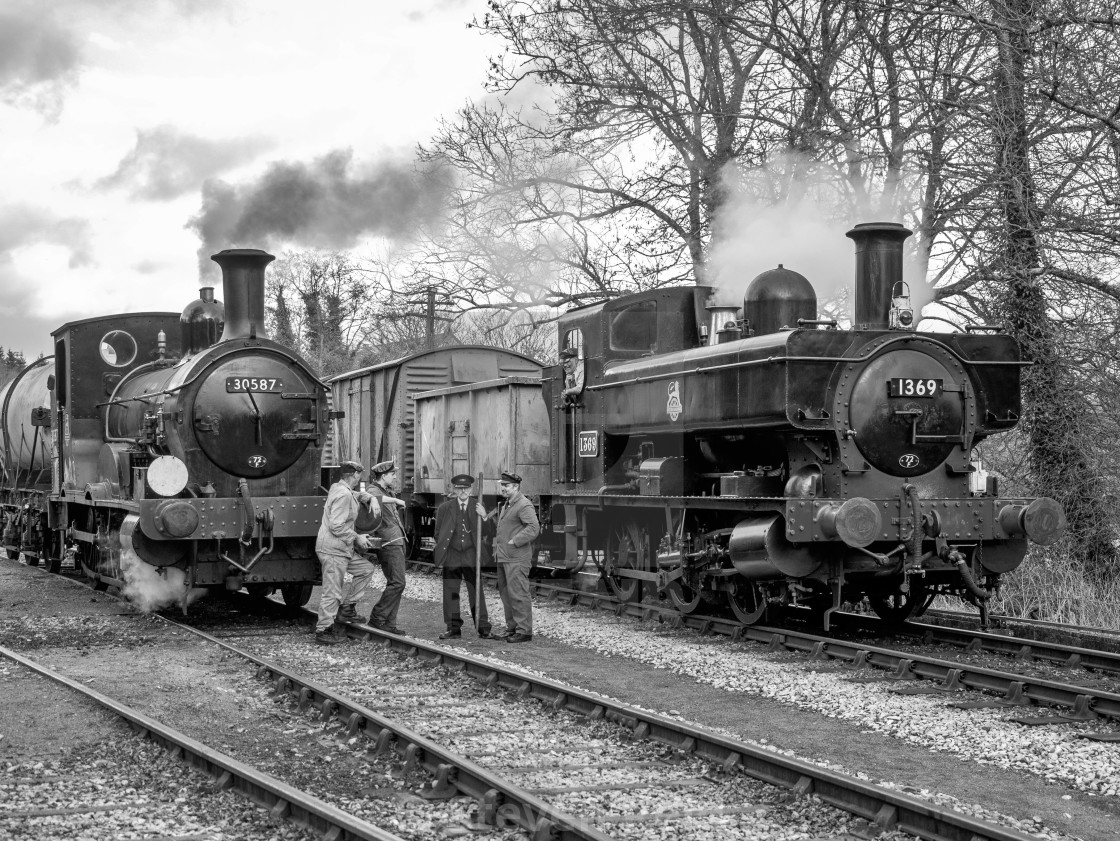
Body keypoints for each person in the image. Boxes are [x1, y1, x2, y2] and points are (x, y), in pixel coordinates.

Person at [313, 460, 378, 645]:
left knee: (365, 569)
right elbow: (336, 525)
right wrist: (357, 537)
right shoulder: (342, 494)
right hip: (333, 549)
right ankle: (323, 630)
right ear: (355, 476)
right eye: (359, 475)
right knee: (332, 591)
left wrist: (370, 498)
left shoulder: (339, 487)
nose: (359, 478)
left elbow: (355, 494)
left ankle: (347, 608)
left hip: (341, 549)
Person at [476, 471, 540, 643]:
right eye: (502, 485)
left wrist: (515, 541)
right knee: (507, 594)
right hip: (504, 557)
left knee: (518, 594)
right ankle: (512, 628)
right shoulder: (507, 504)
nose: (503, 488)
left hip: (517, 557)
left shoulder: (523, 505)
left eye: (506, 485)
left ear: (516, 487)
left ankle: (524, 631)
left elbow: (534, 528)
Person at [432, 474, 492, 640]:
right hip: (452, 555)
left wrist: (485, 516)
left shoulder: (477, 506)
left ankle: (483, 627)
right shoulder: (445, 508)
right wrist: (448, 547)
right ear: (454, 489)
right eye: (459, 488)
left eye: (466, 488)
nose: (463, 491)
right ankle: (453, 629)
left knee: (476, 590)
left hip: (472, 555)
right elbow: (438, 533)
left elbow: (487, 533)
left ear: (471, 489)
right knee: (451, 592)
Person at [367, 460, 409, 634]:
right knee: (398, 582)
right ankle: (378, 617)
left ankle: (389, 624)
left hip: (396, 540)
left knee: (396, 582)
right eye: (392, 474)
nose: (394, 477)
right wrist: (396, 500)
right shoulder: (373, 490)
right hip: (389, 542)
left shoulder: (385, 490)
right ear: (383, 476)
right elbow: (373, 498)